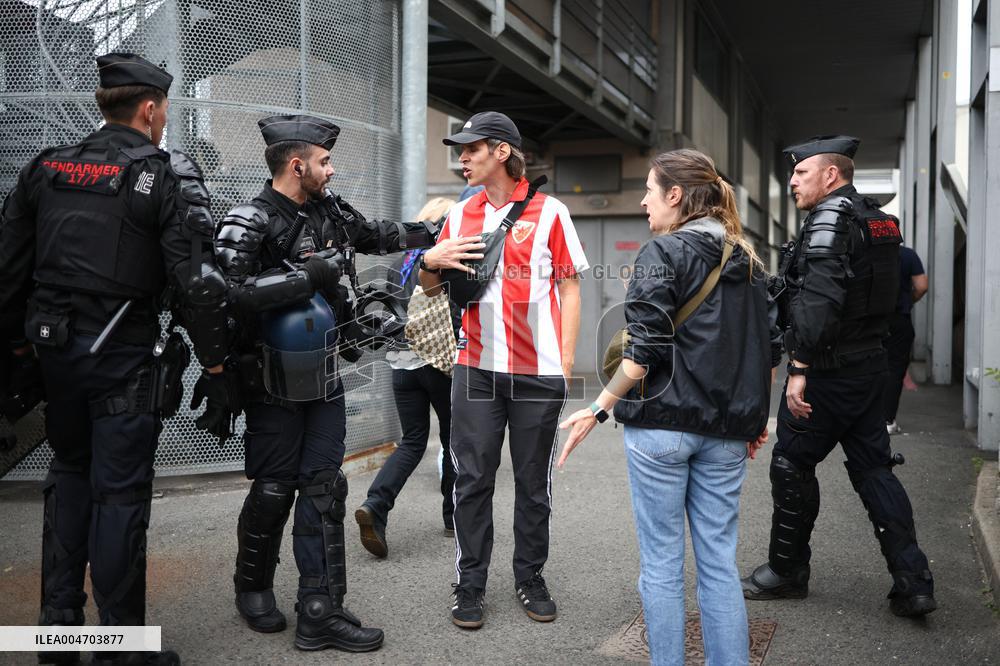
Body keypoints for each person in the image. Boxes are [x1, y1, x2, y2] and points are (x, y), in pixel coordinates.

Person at [0, 53, 236, 666]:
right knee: (120, 495)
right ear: (150, 108)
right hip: (122, 358)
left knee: (70, 476)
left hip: (54, 358)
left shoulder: (45, 167)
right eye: (163, 113)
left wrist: (22, 353)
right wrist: (216, 367)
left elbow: (7, 273)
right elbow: (198, 285)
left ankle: (59, 631)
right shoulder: (162, 174)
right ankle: (118, 646)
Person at [216, 114, 439, 652]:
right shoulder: (250, 219)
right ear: (298, 164)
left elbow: (380, 234)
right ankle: (252, 586)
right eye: (324, 162)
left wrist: (438, 235)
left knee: (323, 488)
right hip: (268, 381)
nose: (330, 170)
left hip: (325, 373)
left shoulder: (330, 211)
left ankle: (320, 611)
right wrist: (304, 278)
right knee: (274, 490)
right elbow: (225, 293)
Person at [558, 149, 778, 666]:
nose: (643, 201)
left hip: (661, 426)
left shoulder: (663, 253)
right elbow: (765, 349)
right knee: (720, 566)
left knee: (661, 564)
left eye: (650, 191)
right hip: (726, 431)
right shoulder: (748, 259)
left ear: (675, 196)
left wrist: (598, 408)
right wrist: (753, 418)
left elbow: (645, 350)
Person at [741, 135, 937, 618]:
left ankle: (786, 573)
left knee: (791, 463)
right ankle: (914, 585)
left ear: (831, 175)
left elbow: (820, 304)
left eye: (800, 174)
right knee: (874, 468)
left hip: (829, 372)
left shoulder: (830, 220)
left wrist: (799, 369)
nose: (791, 182)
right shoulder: (879, 222)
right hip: (871, 365)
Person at [418, 111, 588, 629]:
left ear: (502, 152)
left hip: (538, 373)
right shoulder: (460, 215)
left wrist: (563, 364)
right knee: (472, 480)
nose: (462, 158)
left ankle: (529, 577)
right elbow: (428, 288)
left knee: (534, 482)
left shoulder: (551, 212)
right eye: (460, 150)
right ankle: (469, 584)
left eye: (471, 149)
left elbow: (570, 286)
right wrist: (430, 259)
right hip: (475, 369)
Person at [355, 197, 460, 557]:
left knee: (413, 441)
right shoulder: (443, 260)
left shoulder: (401, 262)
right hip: (439, 362)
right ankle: (452, 516)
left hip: (401, 361)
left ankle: (376, 504)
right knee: (453, 439)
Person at [885, 245, 927, 434]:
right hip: (899, 320)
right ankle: (887, 420)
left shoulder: (865, 251)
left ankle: (861, 421)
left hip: (868, 322)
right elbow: (921, 286)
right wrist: (908, 301)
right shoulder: (908, 255)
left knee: (866, 366)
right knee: (894, 368)